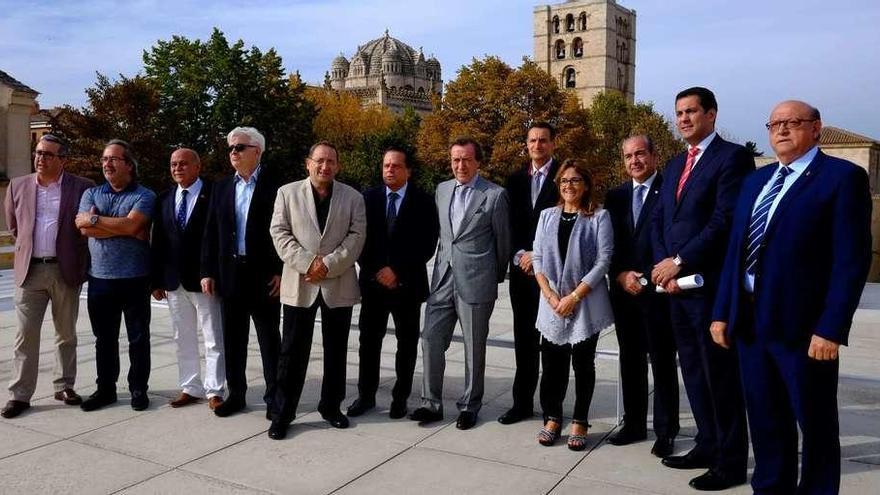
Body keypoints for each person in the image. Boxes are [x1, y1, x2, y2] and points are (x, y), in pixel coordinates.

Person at [711, 100, 871, 494]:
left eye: (792, 122)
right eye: (775, 124)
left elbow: (850, 261)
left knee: (814, 423)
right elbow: (736, 253)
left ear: (816, 129)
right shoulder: (756, 182)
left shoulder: (841, 178)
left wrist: (831, 328)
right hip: (750, 324)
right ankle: (770, 487)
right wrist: (722, 312)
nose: (781, 130)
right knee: (765, 418)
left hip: (804, 330)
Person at [650, 87, 754, 491]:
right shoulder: (676, 164)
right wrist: (664, 270)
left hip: (709, 288)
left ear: (711, 114)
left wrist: (679, 262)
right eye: (678, 113)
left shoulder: (732, 158)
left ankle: (730, 462)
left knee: (721, 378)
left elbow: (724, 220)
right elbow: (661, 219)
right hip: (676, 289)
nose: (683, 119)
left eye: (691, 111)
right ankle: (706, 444)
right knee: (692, 371)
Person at [410, 137, 510, 430]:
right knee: (430, 338)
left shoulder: (494, 195)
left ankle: (469, 405)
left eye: (466, 159)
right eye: (455, 159)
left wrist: (493, 277)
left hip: (476, 282)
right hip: (442, 279)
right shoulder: (441, 190)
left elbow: (503, 243)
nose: (460, 165)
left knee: (473, 347)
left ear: (478, 162)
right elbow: (444, 235)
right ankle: (431, 403)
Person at [267, 141, 366, 440]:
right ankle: (283, 413)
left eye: (331, 162)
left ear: (338, 165)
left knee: (336, 352)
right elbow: (279, 233)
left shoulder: (353, 197)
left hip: (338, 283)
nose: (325, 167)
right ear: (308, 163)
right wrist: (309, 263)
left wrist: (329, 265)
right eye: (320, 161)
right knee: (291, 353)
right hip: (300, 283)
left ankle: (331, 407)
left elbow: (357, 235)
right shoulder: (287, 193)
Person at [1, 135, 94, 419]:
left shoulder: (82, 187)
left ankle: (64, 385)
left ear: (62, 159)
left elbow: (84, 226)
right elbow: (14, 226)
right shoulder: (18, 186)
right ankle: (20, 395)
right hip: (30, 271)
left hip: (64, 270)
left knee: (65, 333)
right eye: (38, 153)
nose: (41, 158)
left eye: (48, 154)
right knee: (24, 336)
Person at [347, 147, 439, 420]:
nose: (390, 170)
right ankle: (366, 395)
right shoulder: (368, 198)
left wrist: (396, 270)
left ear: (408, 170)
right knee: (369, 342)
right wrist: (377, 270)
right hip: (373, 285)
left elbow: (427, 243)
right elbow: (358, 238)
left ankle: (400, 398)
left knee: (407, 343)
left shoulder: (423, 201)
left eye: (396, 166)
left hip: (407, 285)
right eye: (386, 165)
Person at [531, 159, 614, 451]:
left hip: (584, 303)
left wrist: (574, 297)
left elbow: (603, 260)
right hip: (551, 302)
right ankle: (553, 417)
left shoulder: (599, 217)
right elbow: (538, 258)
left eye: (575, 180)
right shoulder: (546, 216)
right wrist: (552, 297)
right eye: (564, 181)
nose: (569, 186)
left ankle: (580, 420)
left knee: (582, 364)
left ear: (586, 184)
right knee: (552, 364)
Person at [604, 135, 679, 457]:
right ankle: (633, 423)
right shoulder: (616, 196)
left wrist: (646, 277)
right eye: (628, 156)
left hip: (658, 293)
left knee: (662, 363)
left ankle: (666, 431)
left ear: (653, 155)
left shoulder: (671, 191)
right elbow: (608, 245)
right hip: (623, 292)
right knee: (630, 360)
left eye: (640, 154)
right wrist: (620, 275)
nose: (634, 161)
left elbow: (672, 240)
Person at [201, 127, 282, 418]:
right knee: (233, 341)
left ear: (257, 151)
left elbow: (286, 232)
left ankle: (275, 396)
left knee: (270, 340)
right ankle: (237, 394)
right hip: (230, 274)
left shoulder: (277, 186)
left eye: (239, 148)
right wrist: (207, 271)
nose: (233, 153)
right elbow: (211, 232)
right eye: (231, 148)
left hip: (264, 275)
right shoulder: (221, 187)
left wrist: (281, 270)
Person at [76, 139, 156, 412]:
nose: (106, 164)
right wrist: (119, 227)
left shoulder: (144, 195)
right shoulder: (91, 193)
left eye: (113, 159)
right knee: (104, 340)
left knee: (138, 338)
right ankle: (106, 390)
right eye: (104, 159)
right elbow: (83, 228)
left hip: (135, 278)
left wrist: (97, 220)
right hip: (100, 279)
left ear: (129, 164)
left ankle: (138, 389)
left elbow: (133, 224)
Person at [151, 148, 225, 410]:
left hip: (205, 280)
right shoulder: (164, 199)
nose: (177, 168)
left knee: (212, 336)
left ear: (197, 166)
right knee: (182, 336)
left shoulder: (215, 194)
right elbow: (158, 241)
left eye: (183, 163)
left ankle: (214, 390)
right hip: (173, 281)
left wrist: (211, 272)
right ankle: (190, 386)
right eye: (173, 164)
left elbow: (216, 238)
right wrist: (156, 280)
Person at [498, 122, 561, 425]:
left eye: (543, 140)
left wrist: (539, 255)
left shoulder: (565, 176)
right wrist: (519, 254)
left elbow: (568, 224)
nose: (537, 145)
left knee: (551, 344)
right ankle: (521, 403)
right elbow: (508, 225)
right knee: (524, 341)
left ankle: (552, 408)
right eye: (533, 140)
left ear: (552, 144)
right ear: (527, 145)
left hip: (553, 275)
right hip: (522, 273)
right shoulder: (513, 180)